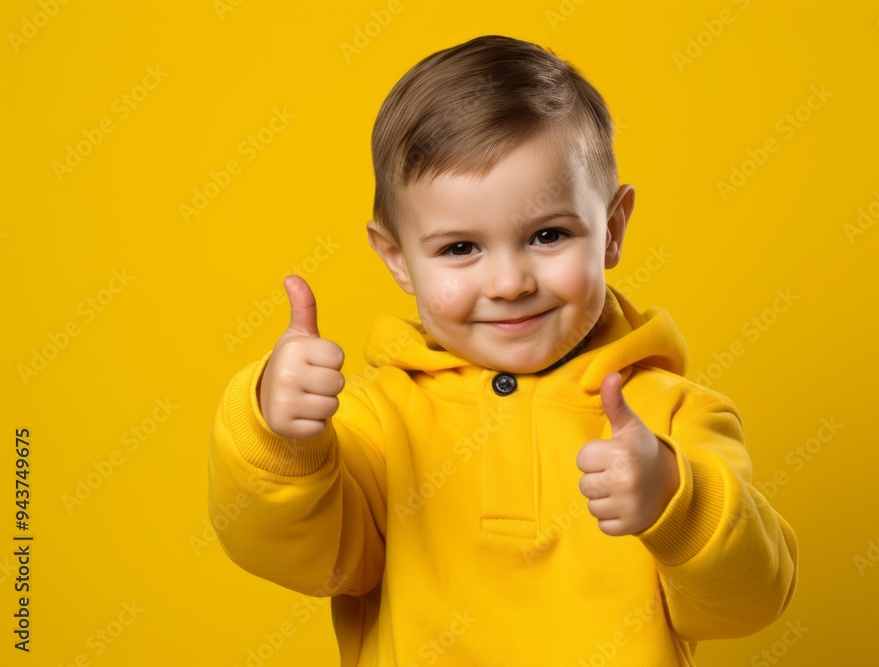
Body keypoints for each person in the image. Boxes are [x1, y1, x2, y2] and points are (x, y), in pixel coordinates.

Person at [208, 34, 798, 666]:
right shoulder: (376, 423)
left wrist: (678, 502)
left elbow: (750, 602)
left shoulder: (673, 421)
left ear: (613, 230)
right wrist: (277, 436)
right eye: (460, 248)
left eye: (548, 235)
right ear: (397, 259)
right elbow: (293, 556)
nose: (511, 283)